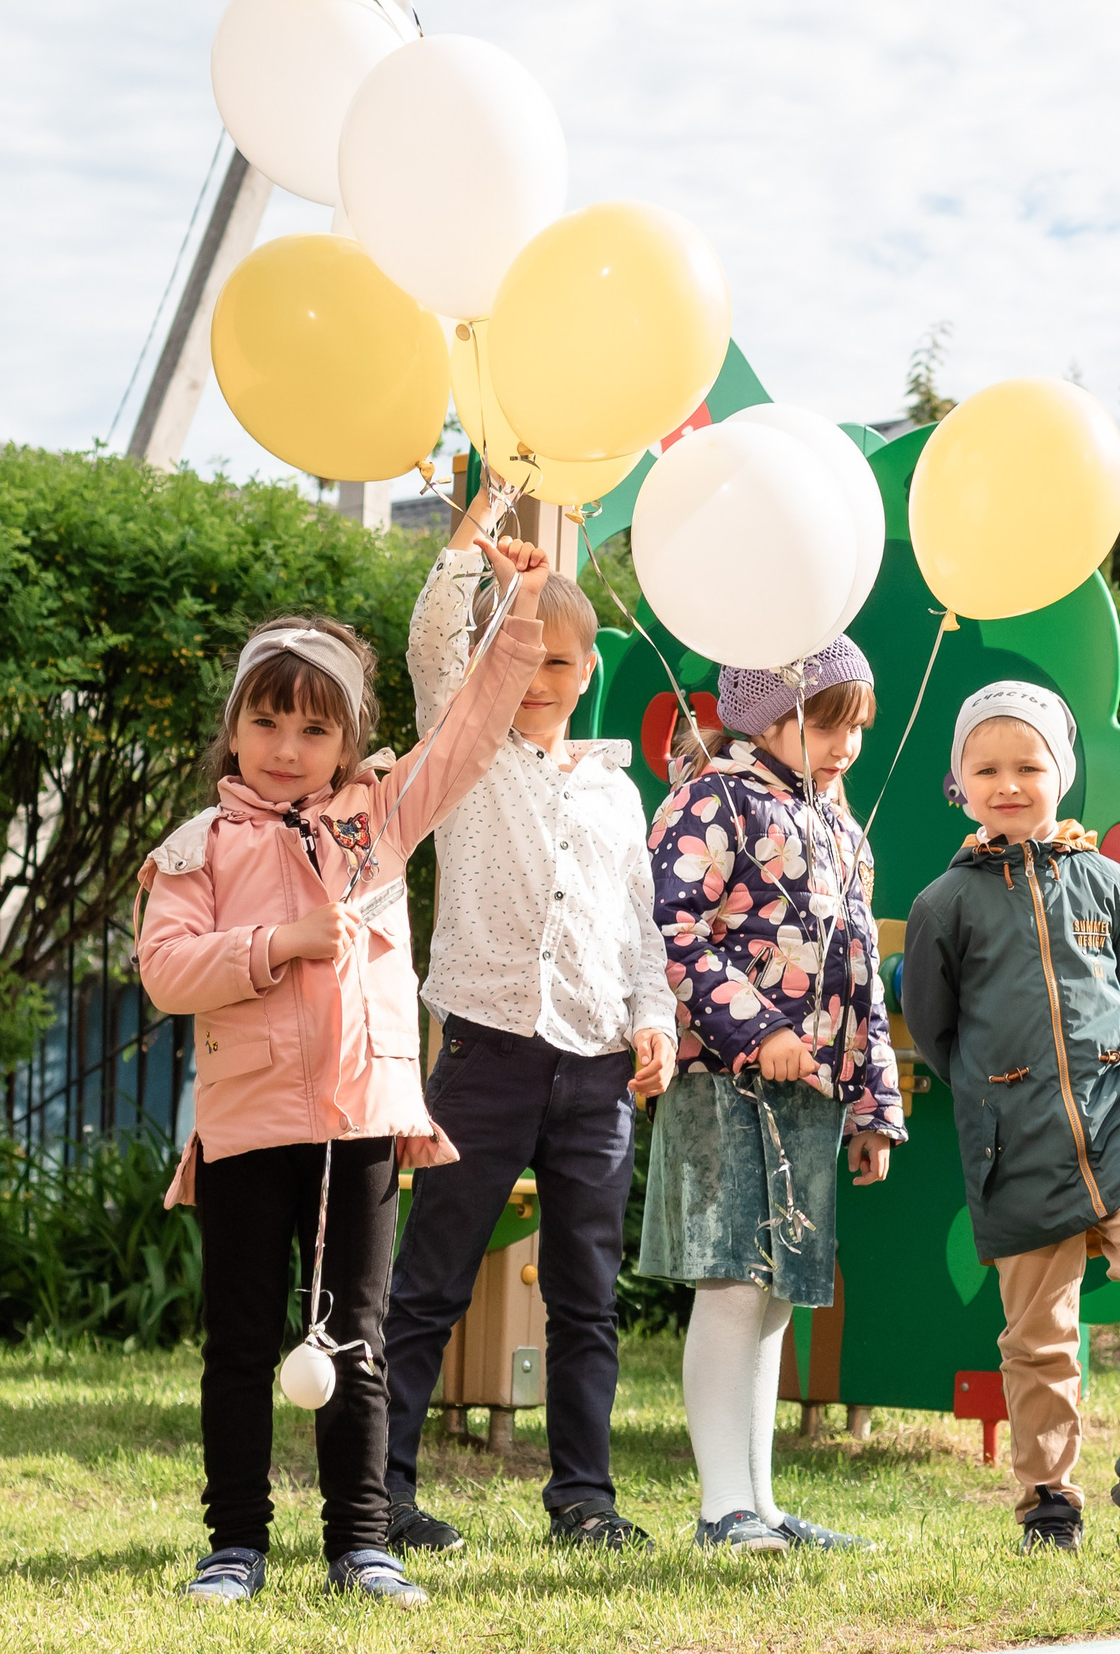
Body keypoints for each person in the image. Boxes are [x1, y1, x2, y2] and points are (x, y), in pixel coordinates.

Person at [135, 538, 549, 1609]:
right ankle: (234, 1545)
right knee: (239, 1344)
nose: (286, 746)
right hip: (243, 1128)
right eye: (266, 721)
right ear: (233, 726)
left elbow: (466, 731)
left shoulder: (379, 821)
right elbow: (165, 971)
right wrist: (276, 946)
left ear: (349, 740)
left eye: (315, 727)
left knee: (354, 1338)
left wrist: (504, 605)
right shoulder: (195, 849)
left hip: (359, 1118)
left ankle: (362, 1543)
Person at [381, 506, 677, 1555]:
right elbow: (430, 643)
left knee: (585, 1297)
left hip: (595, 1069)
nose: (541, 679)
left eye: (561, 660)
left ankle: (582, 1500)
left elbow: (639, 922)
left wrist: (653, 1020)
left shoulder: (612, 788)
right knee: (431, 1281)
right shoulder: (462, 756)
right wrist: (470, 551)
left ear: (590, 668)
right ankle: (383, 1494)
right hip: (487, 1054)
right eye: (523, 657)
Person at [899, 681, 1120, 1555]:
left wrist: (1107, 1082)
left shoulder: (1109, 883)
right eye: (986, 768)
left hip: (1119, 1117)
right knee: (1040, 1331)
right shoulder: (943, 906)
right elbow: (933, 1024)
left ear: (1059, 774)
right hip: (1015, 1138)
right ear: (960, 782)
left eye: (1028, 765)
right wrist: (999, 1094)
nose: (1009, 783)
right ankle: (1048, 1500)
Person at [639, 639, 903, 1556]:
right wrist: (760, 1029)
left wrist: (875, 1104)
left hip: (812, 1094)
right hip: (726, 1083)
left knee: (777, 1292)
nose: (845, 748)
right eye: (827, 723)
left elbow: (862, 965)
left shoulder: (834, 819)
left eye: (855, 728)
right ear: (762, 711)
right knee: (730, 1282)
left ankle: (760, 1500)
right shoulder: (716, 796)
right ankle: (723, 1506)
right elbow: (669, 927)